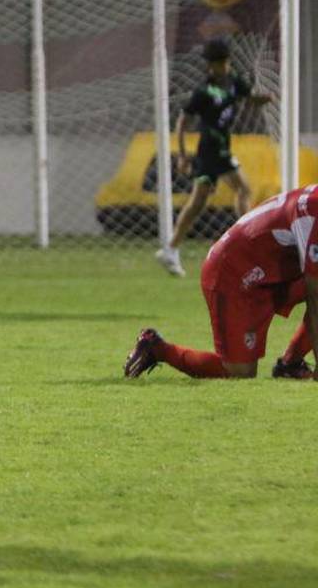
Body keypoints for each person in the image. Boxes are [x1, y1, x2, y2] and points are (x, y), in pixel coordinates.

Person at [125, 184, 318, 380]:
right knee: (238, 373)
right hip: (233, 273)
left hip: (270, 271)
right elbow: (315, 295)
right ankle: (158, 348)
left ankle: (290, 364)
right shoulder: (314, 211)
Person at [156, 38, 271, 277]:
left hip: (221, 146)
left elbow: (250, 98)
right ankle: (247, 240)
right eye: (216, 63)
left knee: (198, 203)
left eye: (223, 62)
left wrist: (265, 97)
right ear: (211, 65)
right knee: (243, 189)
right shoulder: (204, 92)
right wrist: (182, 155)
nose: (220, 67)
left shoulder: (235, 82)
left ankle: (171, 248)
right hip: (210, 148)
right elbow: (182, 122)